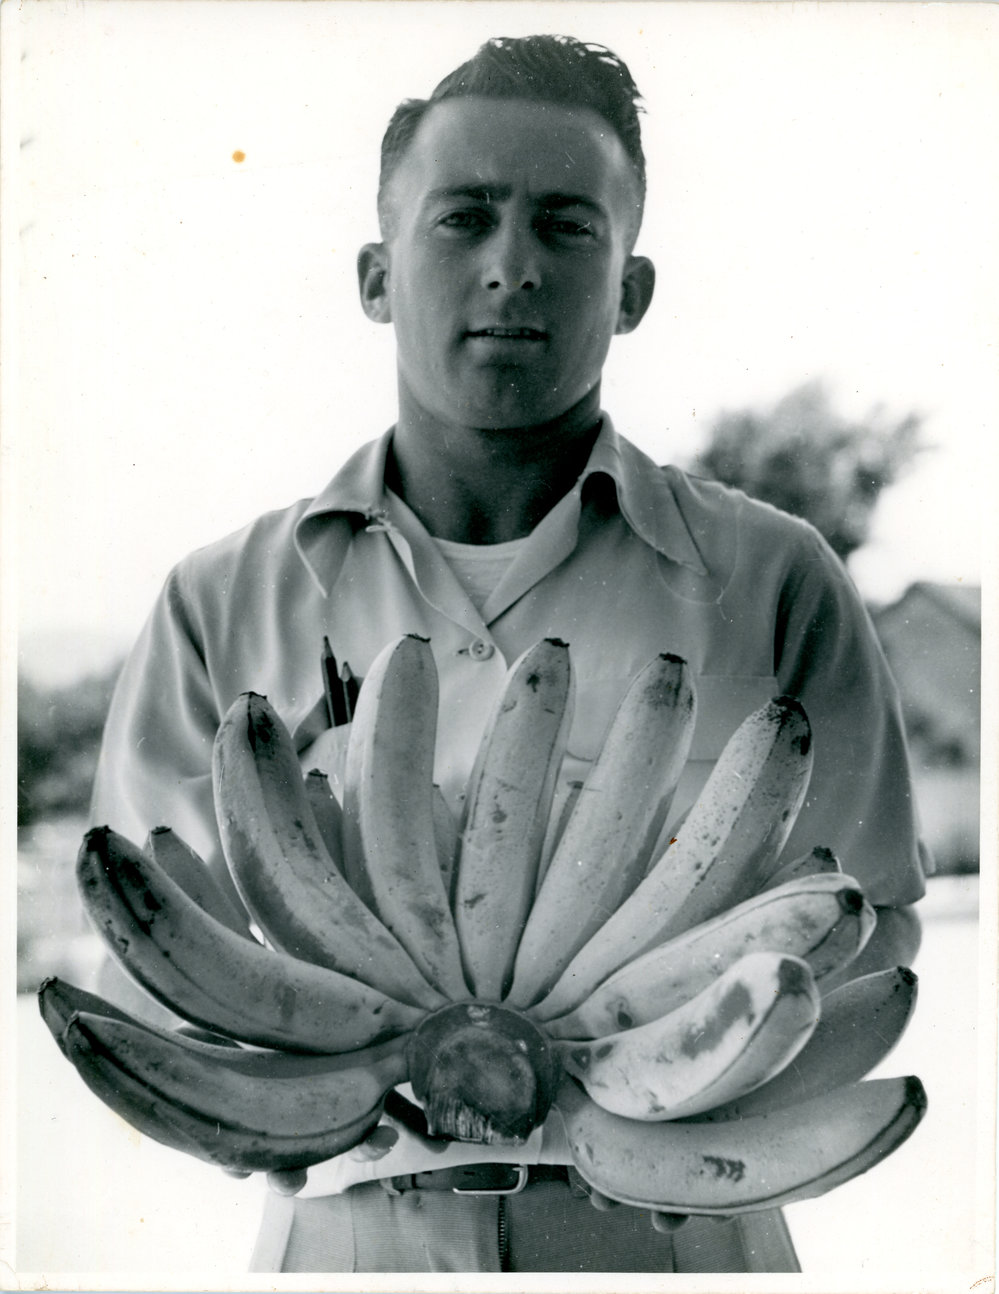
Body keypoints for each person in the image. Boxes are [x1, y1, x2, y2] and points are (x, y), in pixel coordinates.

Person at [89, 34, 929, 1273]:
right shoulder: (224, 598)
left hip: (675, 1230)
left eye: (567, 227)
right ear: (376, 274)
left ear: (633, 289)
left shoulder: (772, 580)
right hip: (347, 1236)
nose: (512, 268)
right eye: (465, 218)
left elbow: (873, 931)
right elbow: (154, 949)